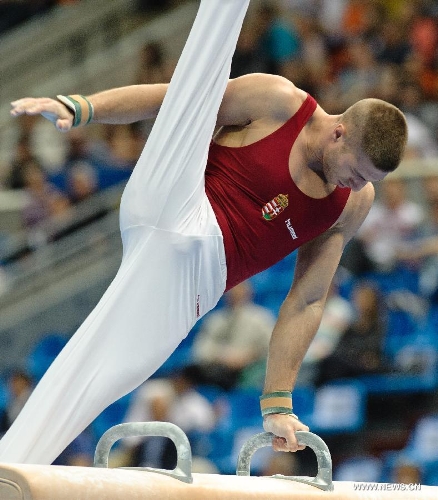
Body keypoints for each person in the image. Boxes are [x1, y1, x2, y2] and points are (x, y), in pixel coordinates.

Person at [0, 0, 407, 465]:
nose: (357, 186)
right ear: (338, 133)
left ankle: (11, 466)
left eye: (369, 180)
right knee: (195, 94)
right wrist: (85, 107)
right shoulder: (277, 101)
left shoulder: (353, 202)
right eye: (356, 171)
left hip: (194, 281)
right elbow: (170, 100)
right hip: (177, 199)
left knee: (105, 376)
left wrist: (278, 402)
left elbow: (308, 299)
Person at [193, 280, 274, 390]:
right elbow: (201, 350)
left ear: (249, 293)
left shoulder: (261, 318)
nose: (235, 294)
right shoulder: (215, 320)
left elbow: (272, 347)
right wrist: (221, 356)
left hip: (252, 367)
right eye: (231, 291)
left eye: (239, 290)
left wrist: (248, 356)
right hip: (220, 369)